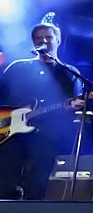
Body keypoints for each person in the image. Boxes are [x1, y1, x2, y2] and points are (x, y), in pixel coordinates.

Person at [0, 22, 84, 200]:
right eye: (39, 39)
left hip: (47, 136)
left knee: (38, 184)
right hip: (11, 134)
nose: (44, 41)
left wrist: (72, 106)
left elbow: (69, 106)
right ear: (33, 43)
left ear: (58, 40)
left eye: (48, 37)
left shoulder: (69, 73)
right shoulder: (18, 68)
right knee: (5, 180)